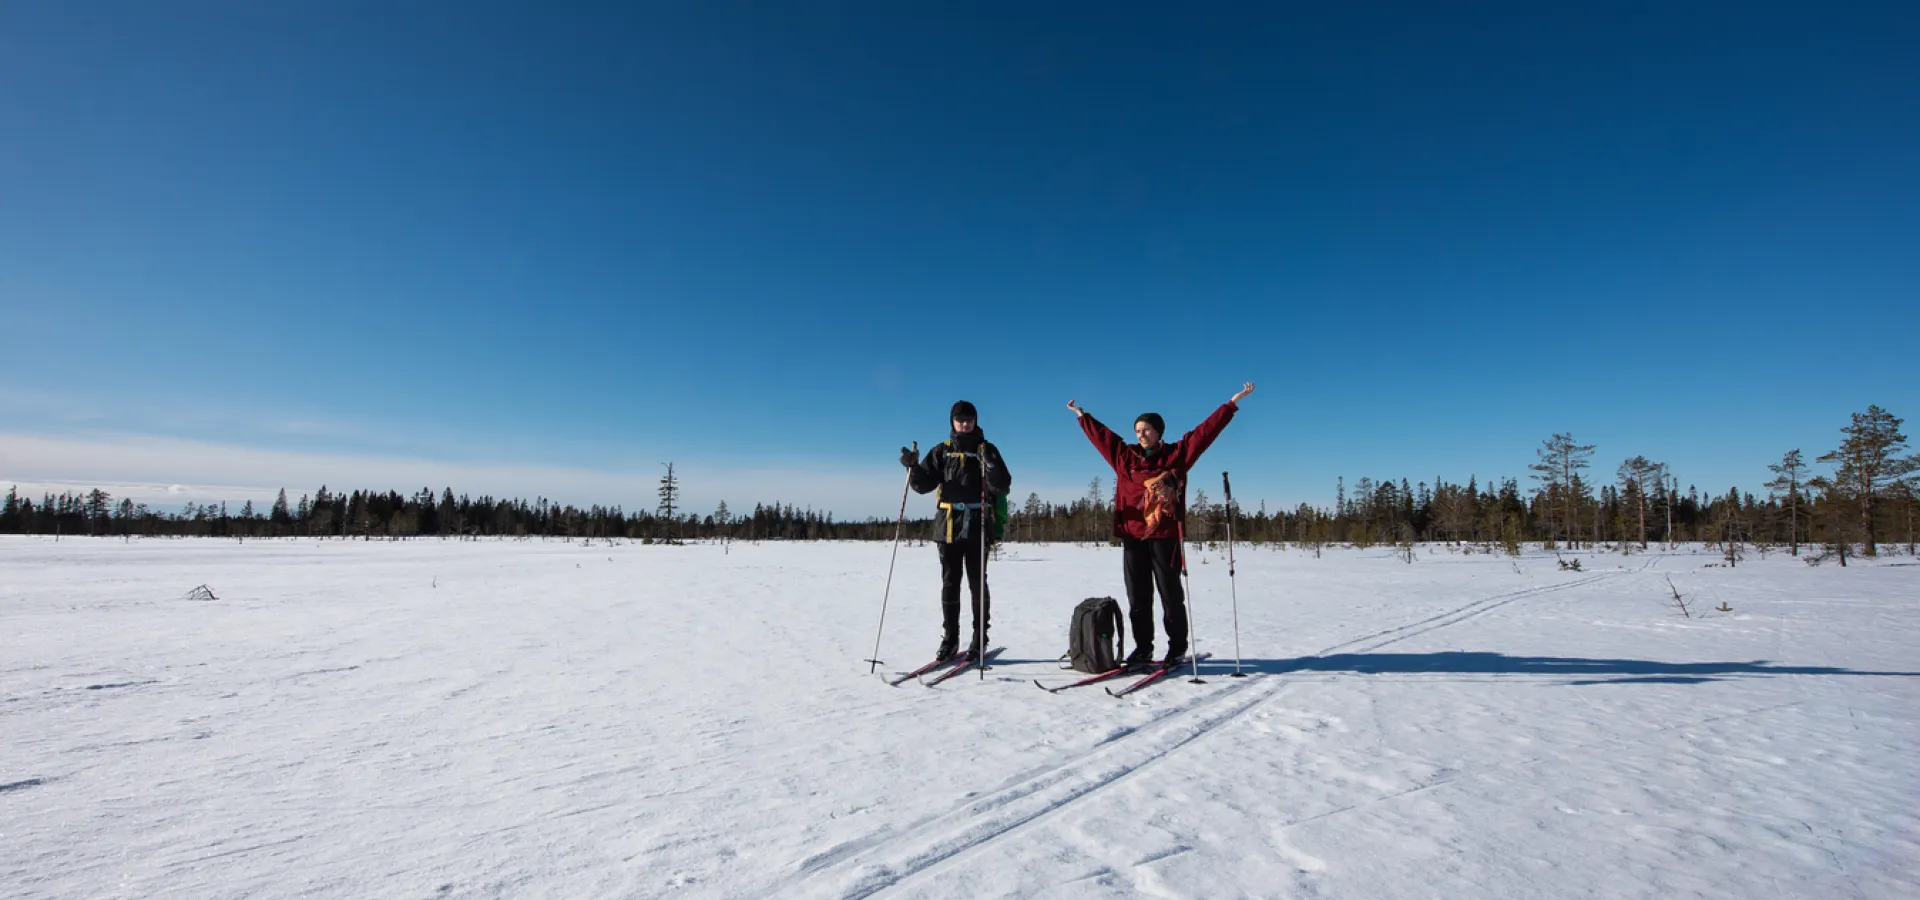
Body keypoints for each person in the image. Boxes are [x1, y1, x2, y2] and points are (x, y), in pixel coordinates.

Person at [1067, 383, 1255, 667]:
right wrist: (1083, 416)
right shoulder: (1124, 457)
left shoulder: (1176, 456)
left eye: (1147, 429)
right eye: (1138, 430)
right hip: (1132, 537)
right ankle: (1143, 649)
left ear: (1158, 432)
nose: (1142, 434)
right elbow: (1103, 438)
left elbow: (1205, 433)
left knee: (1170, 596)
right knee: (1138, 599)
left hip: (1165, 536)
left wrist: (1231, 404)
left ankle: (1177, 648)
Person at [900, 401, 1012, 662]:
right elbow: (922, 485)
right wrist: (912, 467)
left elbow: (1003, 486)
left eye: (969, 419)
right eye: (960, 420)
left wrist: (992, 466)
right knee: (950, 584)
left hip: (977, 525)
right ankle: (950, 640)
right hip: (948, 525)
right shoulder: (943, 451)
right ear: (952, 421)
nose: (964, 424)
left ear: (975, 421)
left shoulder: (987, 450)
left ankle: (979, 639)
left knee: (976, 584)